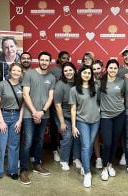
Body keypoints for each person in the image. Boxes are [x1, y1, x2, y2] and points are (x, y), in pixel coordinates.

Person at [19, 51, 56, 185]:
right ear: (38, 60)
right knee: (28, 142)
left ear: (49, 62)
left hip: (44, 114)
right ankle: (23, 170)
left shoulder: (51, 77)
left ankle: (37, 164)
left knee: (39, 140)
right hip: (30, 115)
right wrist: (35, 112)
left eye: (47, 60)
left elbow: (51, 97)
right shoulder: (29, 74)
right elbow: (25, 94)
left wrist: (42, 112)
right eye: (42, 60)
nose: (44, 62)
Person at [0, 63, 24, 182]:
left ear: (21, 73)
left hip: (16, 116)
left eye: (18, 71)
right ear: (10, 71)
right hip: (2, 116)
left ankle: (13, 170)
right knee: (0, 146)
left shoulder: (22, 86)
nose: (16, 73)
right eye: (14, 70)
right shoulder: (2, 85)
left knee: (14, 146)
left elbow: (23, 105)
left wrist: (20, 120)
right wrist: (1, 121)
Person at [69, 65, 100, 188]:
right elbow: (73, 109)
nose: (87, 74)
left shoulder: (96, 87)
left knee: (90, 145)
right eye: (84, 72)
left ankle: (84, 165)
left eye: (89, 73)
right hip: (82, 121)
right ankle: (87, 173)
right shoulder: (74, 90)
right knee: (86, 146)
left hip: (96, 120)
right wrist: (73, 126)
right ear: (80, 74)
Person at [99, 59, 125, 181]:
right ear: (107, 68)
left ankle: (110, 165)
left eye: (115, 68)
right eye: (111, 68)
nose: (113, 70)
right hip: (105, 116)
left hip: (119, 114)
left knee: (115, 142)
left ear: (117, 69)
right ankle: (104, 167)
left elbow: (124, 94)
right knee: (107, 142)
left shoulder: (121, 81)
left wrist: (122, 101)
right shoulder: (100, 82)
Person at [54, 62, 81, 171]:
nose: (68, 72)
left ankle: (76, 158)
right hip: (63, 116)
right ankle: (64, 160)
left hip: (77, 116)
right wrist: (62, 123)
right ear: (63, 73)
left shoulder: (79, 82)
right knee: (68, 137)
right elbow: (57, 105)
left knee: (77, 136)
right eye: (65, 71)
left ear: (74, 70)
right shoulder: (60, 84)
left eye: (70, 70)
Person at [49, 51, 70, 162]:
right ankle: (54, 150)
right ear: (59, 58)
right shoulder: (53, 71)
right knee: (54, 129)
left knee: (65, 130)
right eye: (63, 58)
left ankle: (63, 149)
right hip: (54, 105)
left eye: (67, 58)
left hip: (66, 107)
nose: (65, 60)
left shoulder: (70, 69)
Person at [118, 48, 128, 166]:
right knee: (125, 132)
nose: (127, 56)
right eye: (125, 55)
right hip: (122, 106)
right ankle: (125, 153)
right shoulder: (118, 71)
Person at [92, 60, 104, 169]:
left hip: (106, 112)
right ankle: (98, 158)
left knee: (106, 136)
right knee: (95, 136)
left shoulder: (107, 79)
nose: (96, 71)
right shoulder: (88, 81)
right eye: (94, 69)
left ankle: (106, 157)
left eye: (98, 68)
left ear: (102, 68)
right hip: (93, 113)